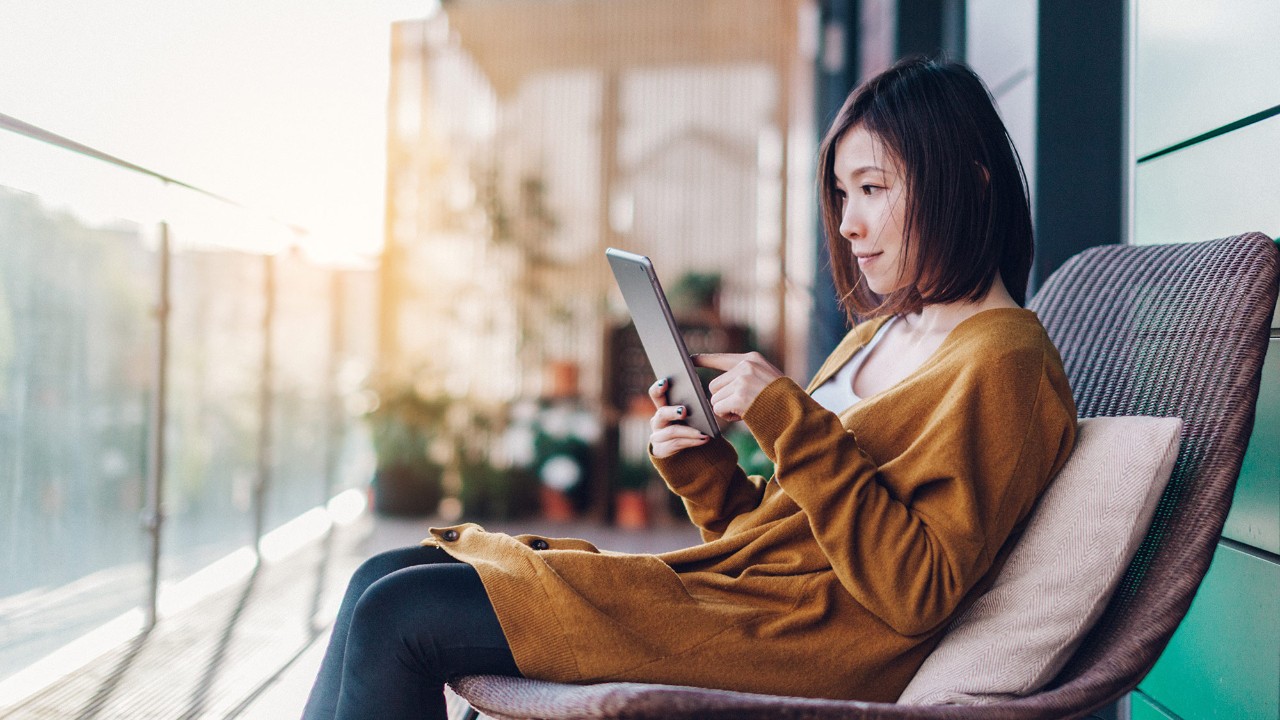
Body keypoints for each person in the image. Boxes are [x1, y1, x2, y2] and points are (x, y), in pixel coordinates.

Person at [302, 56, 1077, 719]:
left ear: (970, 185)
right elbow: (777, 542)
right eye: (842, 193)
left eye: (873, 188)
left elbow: (919, 589)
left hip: (797, 648)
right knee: (385, 574)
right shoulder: (880, 335)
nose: (846, 223)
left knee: (400, 615)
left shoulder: (1004, 362)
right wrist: (705, 470)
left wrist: (787, 420)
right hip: (745, 602)